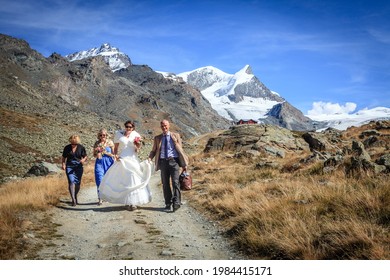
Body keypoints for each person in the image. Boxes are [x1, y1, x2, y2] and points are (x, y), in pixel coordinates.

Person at [99, 120, 153, 211]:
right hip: (123, 158)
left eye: (130, 127)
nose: (128, 128)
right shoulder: (118, 135)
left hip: (132, 158)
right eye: (127, 126)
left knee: (133, 178)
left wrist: (137, 144)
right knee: (124, 179)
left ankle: (133, 202)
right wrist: (115, 155)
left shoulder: (136, 135)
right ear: (125, 126)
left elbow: (137, 149)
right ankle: (127, 202)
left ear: (133, 128)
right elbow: (115, 148)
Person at [148, 119, 189, 212]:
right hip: (163, 163)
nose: (164, 127)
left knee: (175, 182)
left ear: (169, 126)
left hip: (174, 161)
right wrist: (149, 158)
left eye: (165, 125)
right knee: (165, 183)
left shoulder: (176, 136)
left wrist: (184, 164)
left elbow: (180, 150)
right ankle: (168, 203)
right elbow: (154, 150)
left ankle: (177, 202)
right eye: (162, 126)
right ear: (160, 127)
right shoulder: (157, 138)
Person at [61, 135, 88, 206]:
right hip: (69, 166)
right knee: (71, 181)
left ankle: (75, 195)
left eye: (75, 144)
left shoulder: (81, 147)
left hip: (78, 166)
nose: (73, 145)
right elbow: (64, 157)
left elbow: (85, 156)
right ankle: (73, 199)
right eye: (72, 143)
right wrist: (63, 164)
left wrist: (83, 160)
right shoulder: (67, 148)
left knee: (77, 183)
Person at [93, 129, 115, 205]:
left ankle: (106, 196)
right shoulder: (97, 143)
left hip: (109, 162)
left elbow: (113, 154)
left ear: (106, 135)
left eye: (104, 135)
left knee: (108, 181)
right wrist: (97, 151)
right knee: (99, 179)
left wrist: (106, 153)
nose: (102, 136)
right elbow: (94, 155)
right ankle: (100, 198)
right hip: (99, 162)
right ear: (99, 135)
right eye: (101, 135)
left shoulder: (110, 142)